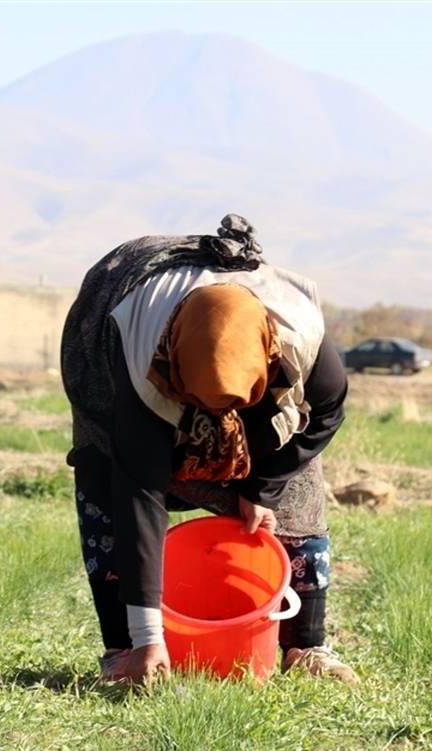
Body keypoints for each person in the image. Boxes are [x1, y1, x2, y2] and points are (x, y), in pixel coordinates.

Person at [61, 214, 356, 685]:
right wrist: (147, 637)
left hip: (263, 398)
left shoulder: (302, 335)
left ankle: (306, 643)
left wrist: (263, 486)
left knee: (299, 485)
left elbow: (326, 414)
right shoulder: (137, 356)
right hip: (120, 376)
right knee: (104, 477)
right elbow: (142, 491)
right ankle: (123, 651)